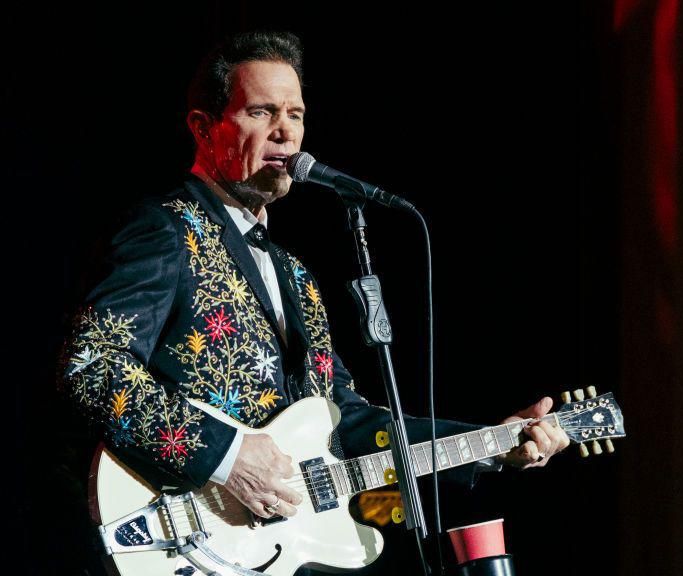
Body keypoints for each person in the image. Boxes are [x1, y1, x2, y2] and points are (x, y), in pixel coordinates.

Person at [59, 30, 567, 525]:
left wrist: (494, 443)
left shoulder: (296, 276)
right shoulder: (165, 226)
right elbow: (94, 364)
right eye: (261, 112)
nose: (285, 131)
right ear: (202, 126)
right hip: (173, 525)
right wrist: (227, 457)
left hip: (267, 545)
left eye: (295, 114)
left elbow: (348, 422)